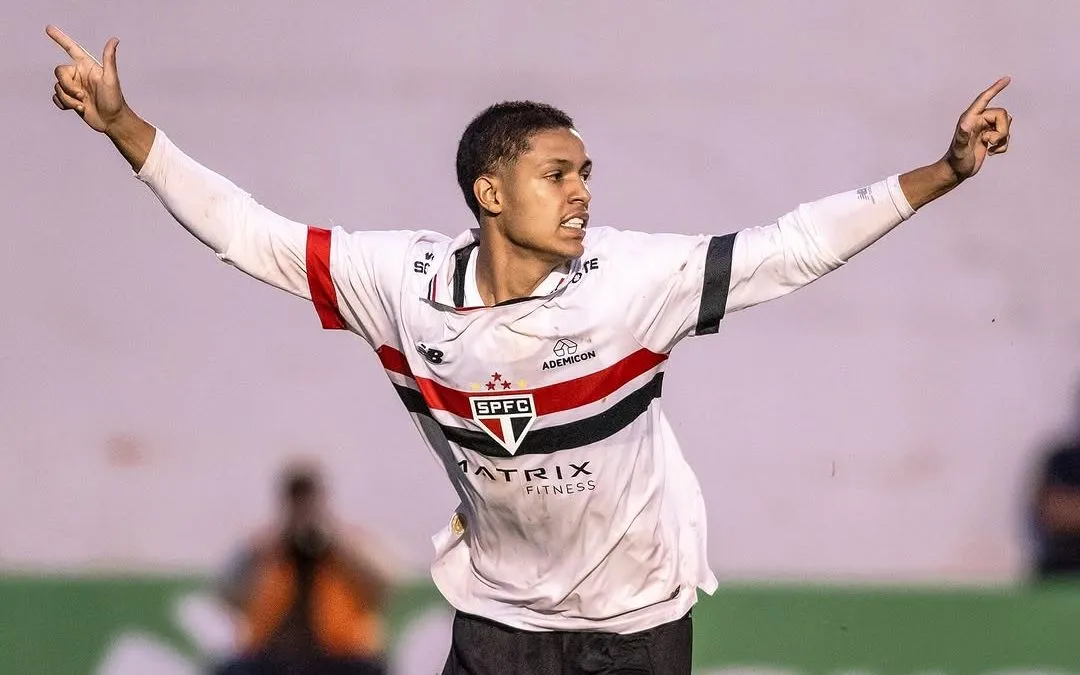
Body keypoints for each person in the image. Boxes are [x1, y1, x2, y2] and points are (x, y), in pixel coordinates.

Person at [46, 25, 1013, 675]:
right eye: (558, 173)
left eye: (588, 172)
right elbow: (248, 234)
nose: (583, 190)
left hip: (639, 628)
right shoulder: (399, 282)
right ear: (489, 192)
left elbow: (792, 246)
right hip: (502, 624)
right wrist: (124, 125)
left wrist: (946, 171)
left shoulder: (636, 281)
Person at [214, 462, 393, 675]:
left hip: (343, 657)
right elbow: (229, 595)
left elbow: (382, 586)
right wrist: (270, 546)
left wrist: (334, 543)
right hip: (272, 657)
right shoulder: (263, 546)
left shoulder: (352, 543)